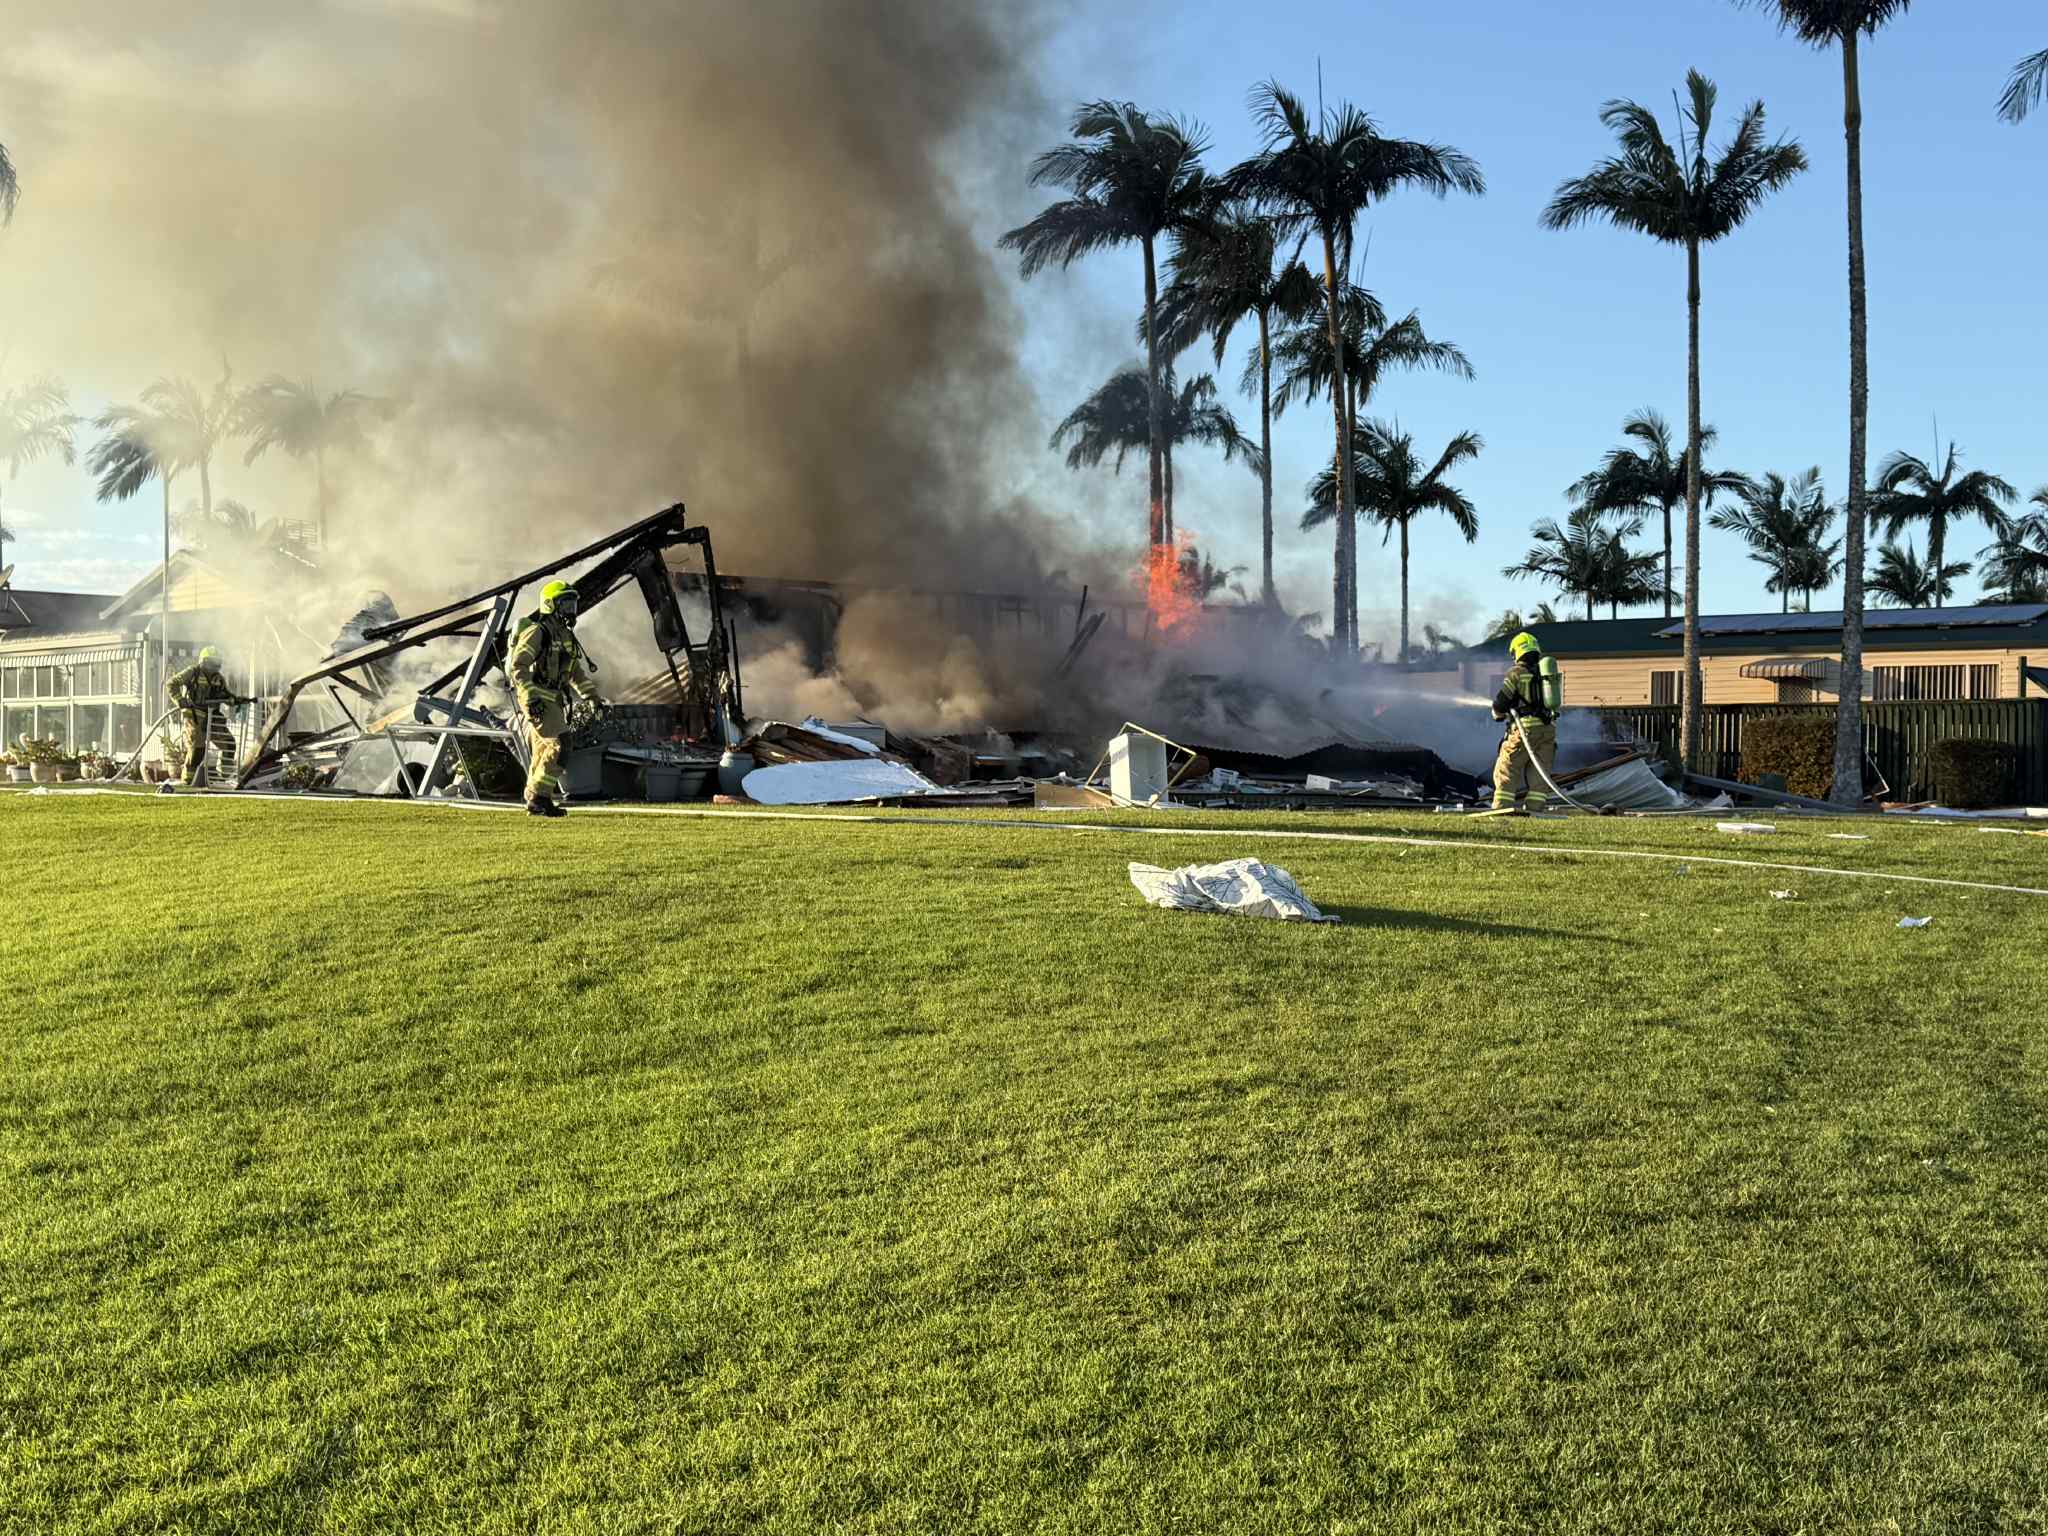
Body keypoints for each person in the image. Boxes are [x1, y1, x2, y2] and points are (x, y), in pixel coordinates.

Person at [507, 579, 602, 817]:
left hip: (552, 699)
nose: (571, 611)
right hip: (536, 697)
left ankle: (535, 797)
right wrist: (529, 696)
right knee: (561, 744)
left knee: (543, 749)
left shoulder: (566, 636)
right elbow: (518, 666)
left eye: (573, 605)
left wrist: (592, 697)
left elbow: (575, 673)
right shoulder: (537, 632)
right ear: (550, 605)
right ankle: (540, 796)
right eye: (565, 605)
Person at [1490, 631, 1563, 813]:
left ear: (1517, 651)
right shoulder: (1544, 673)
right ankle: (1535, 810)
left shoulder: (1516, 673)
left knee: (1507, 768)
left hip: (1525, 730)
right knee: (1540, 774)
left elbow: (1501, 703)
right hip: (1547, 730)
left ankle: (1501, 809)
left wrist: (1497, 713)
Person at [165, 647, 251, 788]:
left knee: (229, 744)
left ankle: (223, 778)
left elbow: (226, 696)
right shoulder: (193, 673)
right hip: (193, 716)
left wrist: (237, 700)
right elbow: (171, 684)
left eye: (217, 663)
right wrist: (180, 700)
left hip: (212, 717)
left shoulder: (219, 679)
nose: (215, 666)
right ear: (203, 661)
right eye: (212, 662)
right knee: (197, 749)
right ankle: (189, 782)